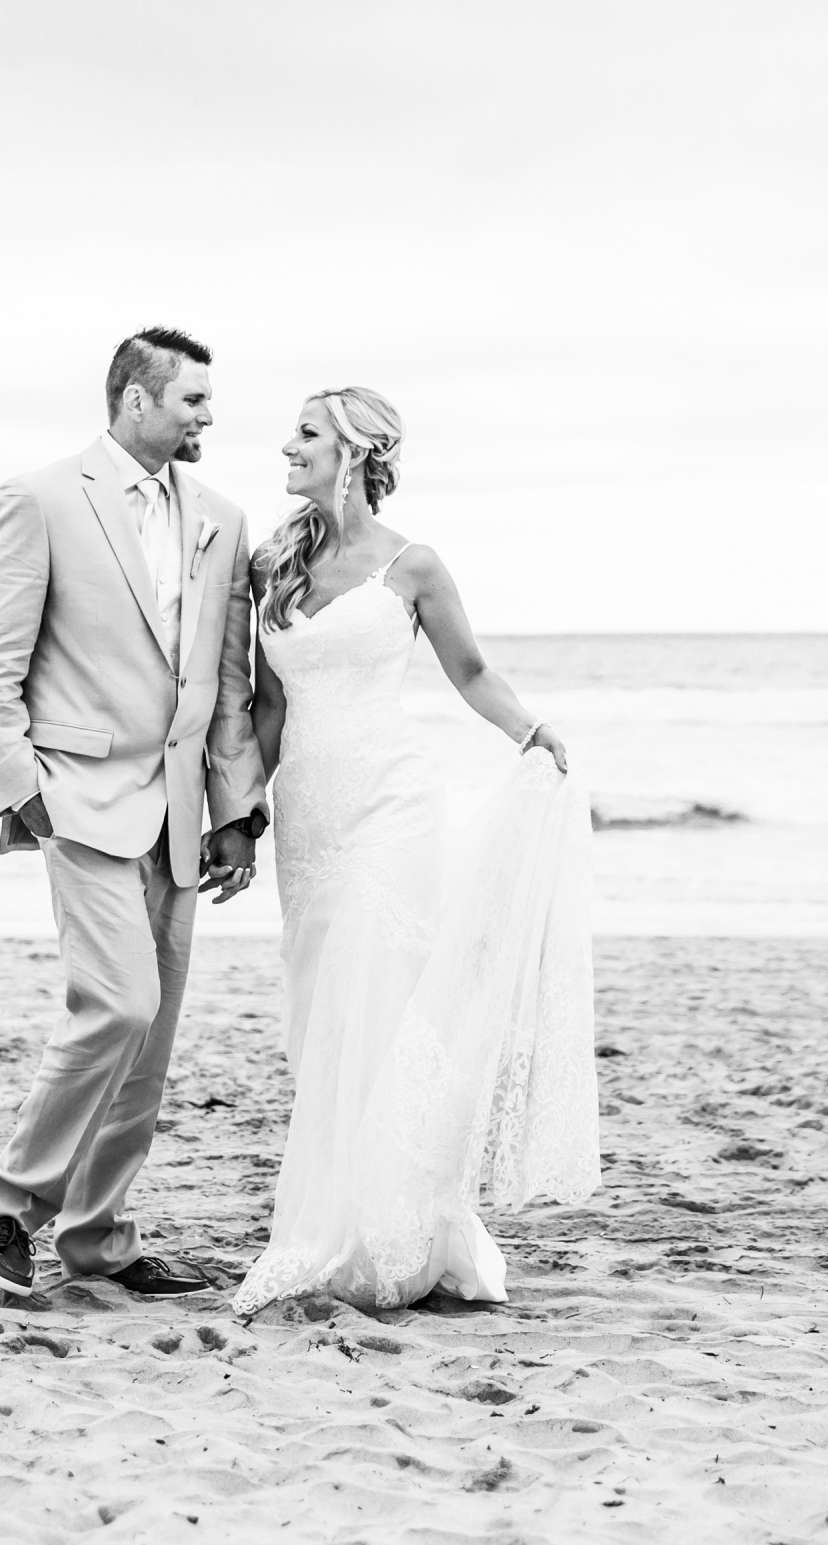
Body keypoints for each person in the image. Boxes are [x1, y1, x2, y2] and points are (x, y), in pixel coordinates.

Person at [232, 386, 599, 1316]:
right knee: (324, 1023)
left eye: (306, 435)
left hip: (393, 811)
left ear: (352, 451)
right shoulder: (274, 561)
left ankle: (392, 1234)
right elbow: (269, 707)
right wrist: (240, 812)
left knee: (383, 1007)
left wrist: (531, 731)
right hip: (310, 816)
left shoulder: (414, 566)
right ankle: (343, 1215)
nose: (289, 447)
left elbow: (470, 671)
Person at [0, 328, 267, 1300]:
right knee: (117, 1005)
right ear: (136, 399)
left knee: (153, 1039)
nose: (207, 416)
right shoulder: (41, 499)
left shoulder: (222, 516)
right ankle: (11, 1206)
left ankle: (98, 1239)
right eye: (192, 400)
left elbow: (223, 678)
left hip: (179, 810)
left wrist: (233, 812)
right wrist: (24, 790)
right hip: (79, 798)